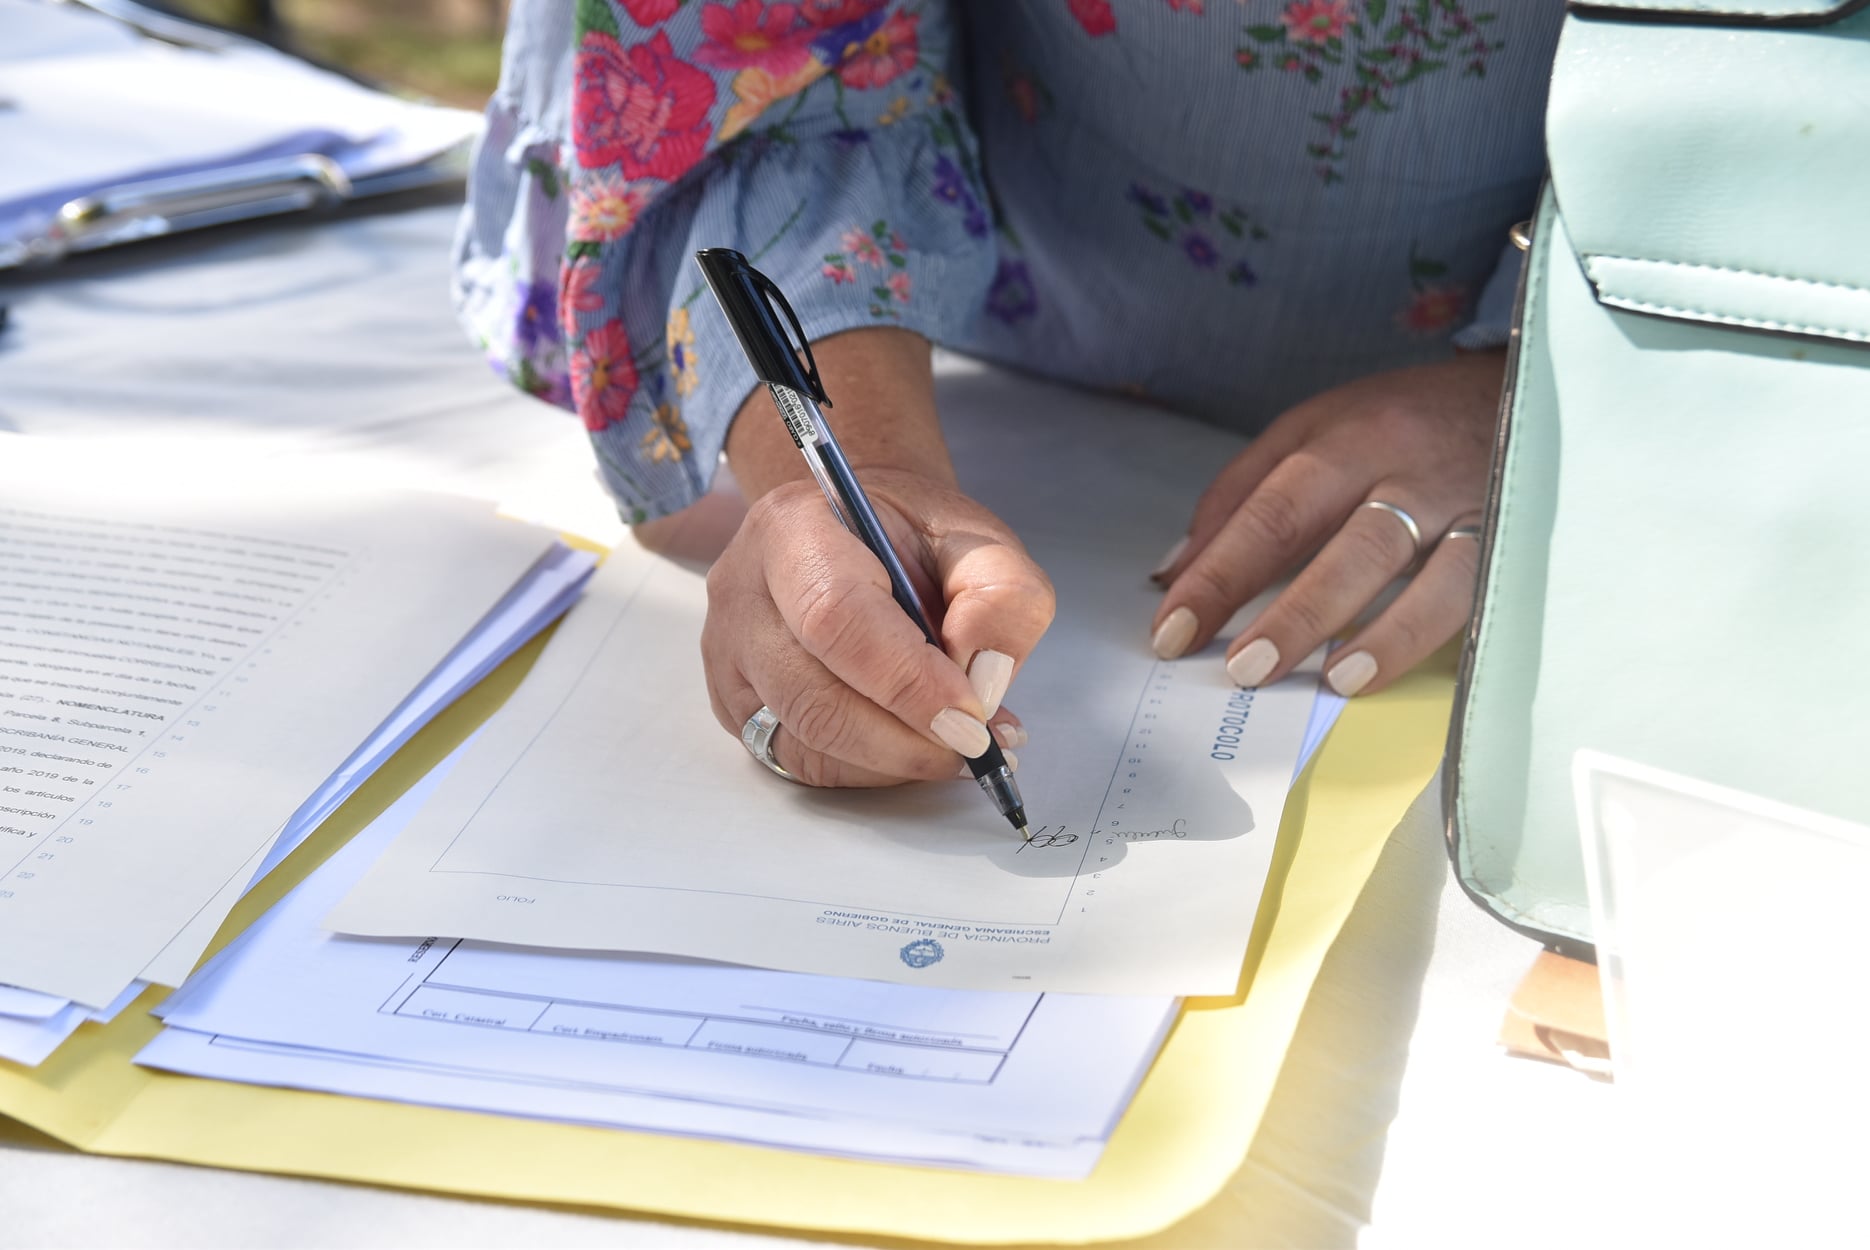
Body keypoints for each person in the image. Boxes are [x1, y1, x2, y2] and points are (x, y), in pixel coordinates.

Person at [456, 0, 1562, 788]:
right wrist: (864, 469)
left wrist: (1538, 364)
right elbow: (747, 47)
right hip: (979, 344)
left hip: (1571, 349)